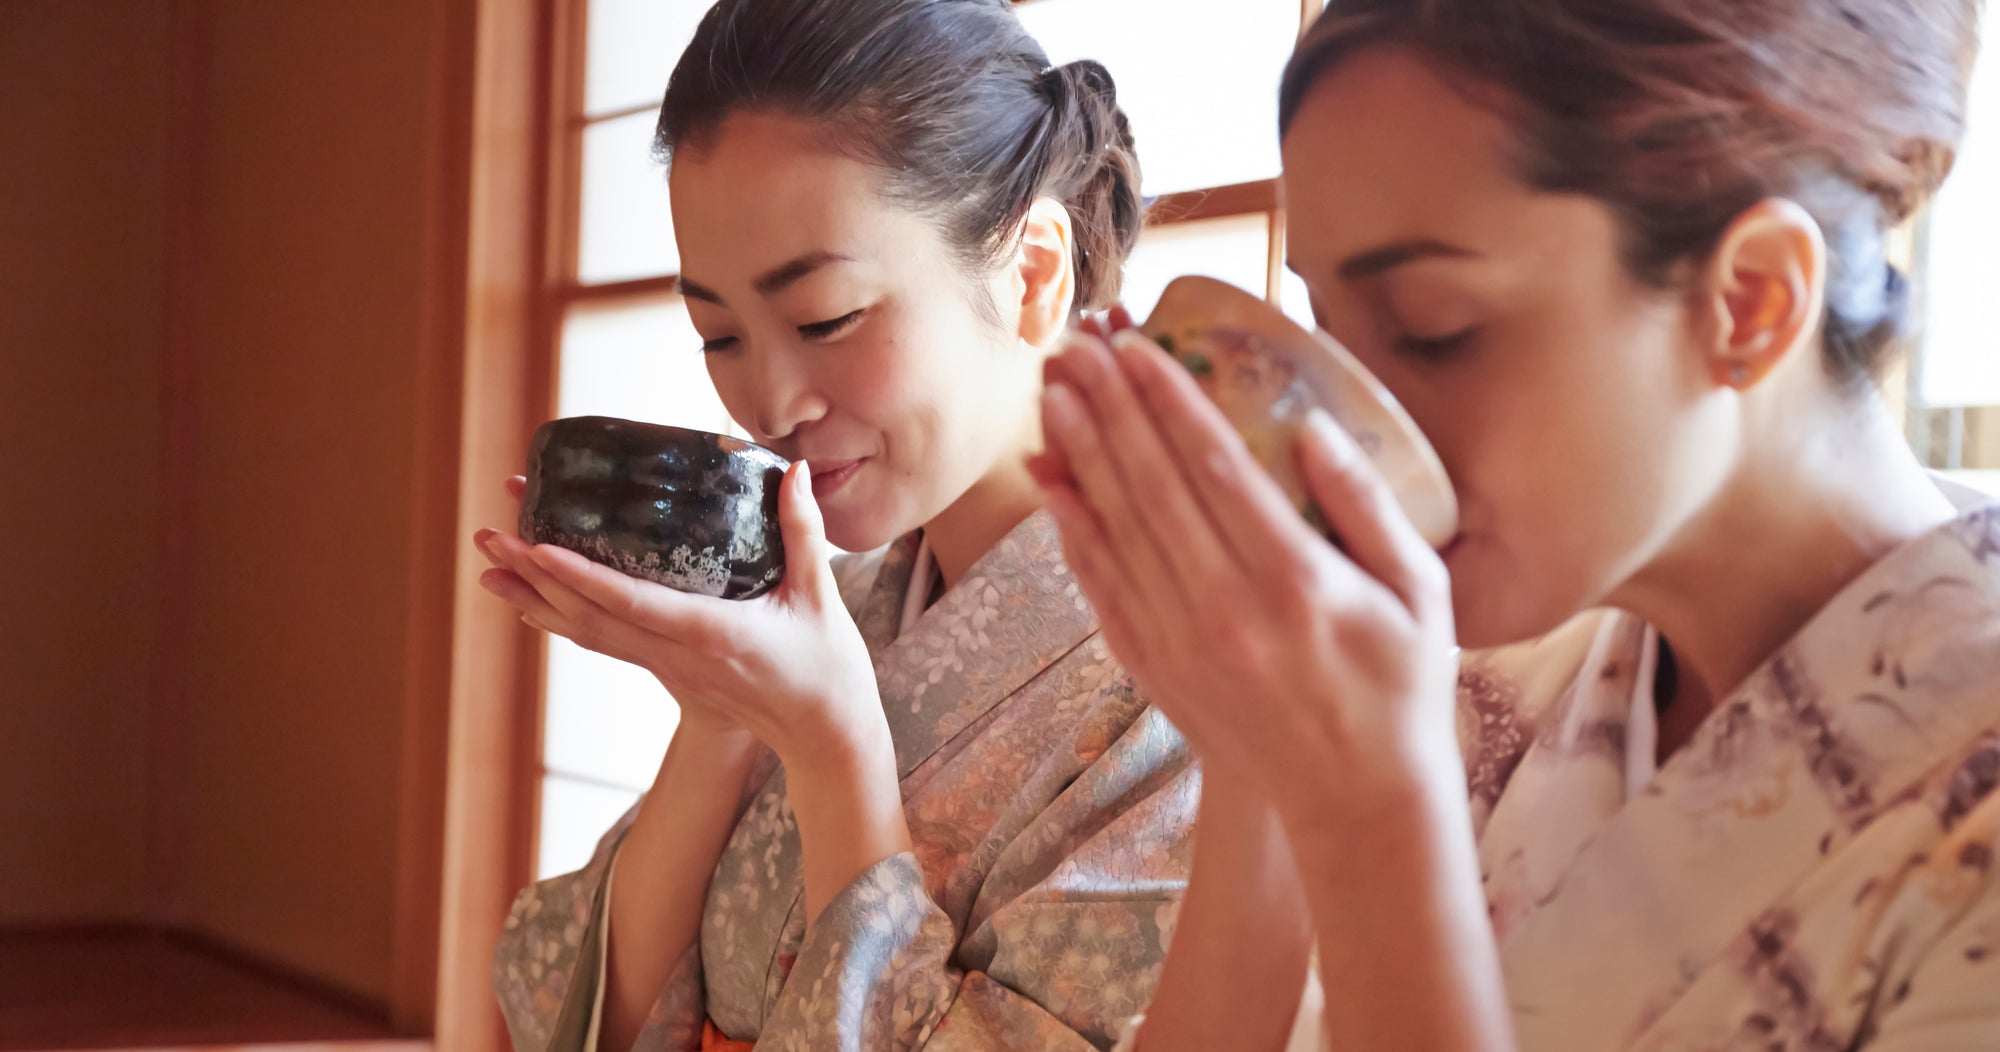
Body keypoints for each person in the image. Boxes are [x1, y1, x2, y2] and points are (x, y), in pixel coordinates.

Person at [1033, 0, 2000, 1048]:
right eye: (1320, 327)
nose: (1356, 423)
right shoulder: (1473, 682)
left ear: (1751, 300)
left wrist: (1368, 817)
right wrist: (1255, 762)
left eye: (1429, 328)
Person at [477, 1, 1191, 1049]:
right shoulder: (834, 612)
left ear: (1032, 273)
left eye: (825, 319)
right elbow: (577, 1016)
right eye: (718, 334)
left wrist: (827, 744)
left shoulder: (1196, 680)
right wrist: (720, 722)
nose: (769, 405)